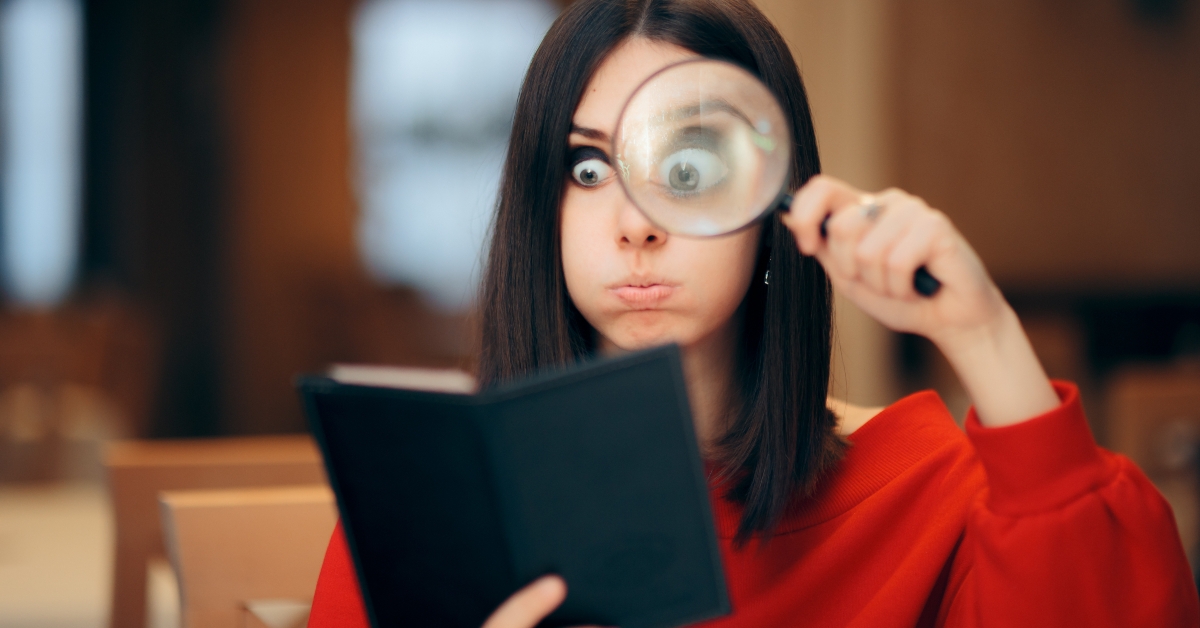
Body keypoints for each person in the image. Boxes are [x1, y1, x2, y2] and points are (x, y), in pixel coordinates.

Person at [308, 0, 1199, 626]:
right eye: (586, 170)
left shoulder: (929, 494)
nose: (635, 225)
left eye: (687, 166)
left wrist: (980, 331)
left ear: (771, 210)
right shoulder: (434, 514)